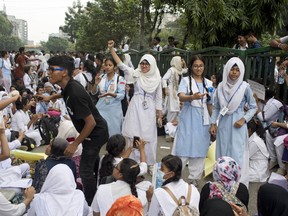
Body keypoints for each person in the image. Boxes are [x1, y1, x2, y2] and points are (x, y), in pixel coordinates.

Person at [41, 55, 109, 205]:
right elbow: (63, 94)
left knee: (85, 171)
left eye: (52, 70)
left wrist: (75, 144)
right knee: (91, 163)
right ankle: (97, 179)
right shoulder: (68, 87)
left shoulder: (75, 92)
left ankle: (91, 204)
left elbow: (90, 123)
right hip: (94, 131)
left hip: (95, 134)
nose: (49, 73)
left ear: (64, 72)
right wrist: (50, 97)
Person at [108, 40, 162, 167]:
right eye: (142, 63)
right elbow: (121, 64)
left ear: (152, 65)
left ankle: (147, 163)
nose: (143, 66)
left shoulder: (157, 79)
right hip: (135, 107)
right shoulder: (135, 74)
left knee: (147, 136)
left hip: (149, 110)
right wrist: (112, 49)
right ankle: (131, 161)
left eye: (146, 64)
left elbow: (159, 98)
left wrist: (159, 115)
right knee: (132, 134)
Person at [210, 57, 257, 187]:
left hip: (238, 125)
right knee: (222, 153)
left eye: (237, 70)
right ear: (227, 70)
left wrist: (244, 119)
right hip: (224, 125)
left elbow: (254, 107)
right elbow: (217, 107)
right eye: (232, 69)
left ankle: (237, 185)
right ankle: (221, 183)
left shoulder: (244, 87)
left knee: (237, 154)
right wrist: (213, 123)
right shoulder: (220, 87)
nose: (235, 72)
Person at [172, 55, 214, 186]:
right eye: (195, 66)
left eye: (201, 65)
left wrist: (213, 123)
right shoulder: (186, 81)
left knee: (200, 149)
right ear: (191, 67)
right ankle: (174, 177)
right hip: (188, 118)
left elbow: (210, 104)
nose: (198, 68)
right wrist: (192, 97)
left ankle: (194, 179)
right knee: (183, 146)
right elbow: (181, 97)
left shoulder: (209, 84)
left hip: (203, 120)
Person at [92, 57, 126, 136]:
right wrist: (96, 83)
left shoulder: (119, 79)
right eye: (106, 65)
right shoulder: (101, 77)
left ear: (115, 67)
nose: (107, 67)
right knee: (100, 129)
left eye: (110, 65)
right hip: (101, 107)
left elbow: (122, 95)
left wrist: (110, 94)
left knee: (114, 131)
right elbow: (94, 93)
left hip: (114, 109)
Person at [162, 56, 186, 123]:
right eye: (180, 60)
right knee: (172, 109)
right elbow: (163, 79)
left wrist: (184, 63)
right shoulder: (171, 70)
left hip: (178, 91)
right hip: (172, 91)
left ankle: (174, 129)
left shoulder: (180, 70)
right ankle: (169, 127)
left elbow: (186, 69)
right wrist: (165, 88)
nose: (181, 62)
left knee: (177, 109)